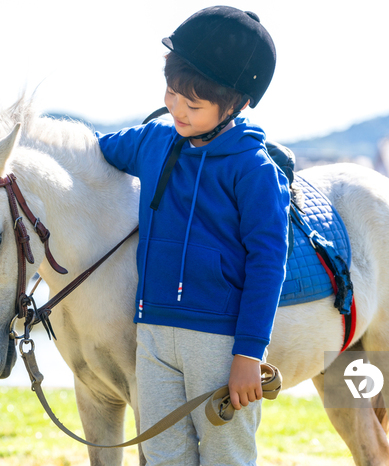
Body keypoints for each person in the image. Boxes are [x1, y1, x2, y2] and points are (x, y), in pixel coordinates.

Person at [96, 6, 289, 465]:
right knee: (162, 455)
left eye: (194, 104)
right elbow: (91, 150)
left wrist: (248, 355)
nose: (177, 110)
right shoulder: (152, 142)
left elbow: (267, 265)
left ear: (238, 104)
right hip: (154, 333)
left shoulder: (255, 170)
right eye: (171, 94)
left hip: (220, 343)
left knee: (226, 456)